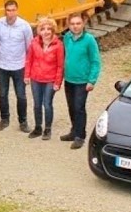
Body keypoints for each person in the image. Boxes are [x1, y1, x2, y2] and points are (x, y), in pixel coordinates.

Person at [61, 10, 102, 149]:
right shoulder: (67, 37)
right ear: (69, 25)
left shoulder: (89, 40)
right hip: (69, 79)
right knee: (71, 106)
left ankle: (80, 136)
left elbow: (95, 61)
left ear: (83, 23)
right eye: (72, 24)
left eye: (78, 23)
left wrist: (92, 80)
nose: (75, 26)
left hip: (82, 81)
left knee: (79, 107)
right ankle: (74, 131)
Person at [0, 0, 33, 132]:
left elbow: (29, 47)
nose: (11, 13)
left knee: (21, 95)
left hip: (19, 66)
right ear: (5, 11)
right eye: (8, 10)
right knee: (3, 94)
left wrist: (29, 67)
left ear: (17, 10)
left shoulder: (25, 26)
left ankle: (23, 121)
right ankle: (4, 119)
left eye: (13, 10)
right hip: (2, 65)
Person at [24, 17, 64, 141]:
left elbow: (60, 65)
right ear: (39, 31)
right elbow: (29, 59)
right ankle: (37, 127)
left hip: (50, 79)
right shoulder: (34, 43)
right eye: (43, 29)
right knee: (36, 104)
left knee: (47, 104)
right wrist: (26, 75)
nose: (46, 31)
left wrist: (58, 82)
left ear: (53, 31)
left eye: (49, 29)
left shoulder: (58, 45)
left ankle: (47, 129)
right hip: (36, 78)